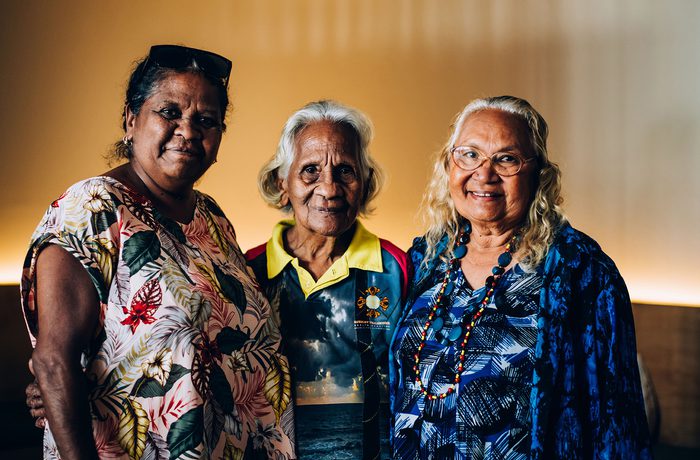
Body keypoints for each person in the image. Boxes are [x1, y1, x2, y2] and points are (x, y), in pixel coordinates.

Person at [20, 45, 295, 459]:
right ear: (131, 120)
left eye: (205, 120)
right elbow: (53, 364)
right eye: (169, 112)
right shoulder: (90, 209)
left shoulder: (214, 219)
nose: (187, 130)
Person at [390, 96, 652, 459]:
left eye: (507, 159)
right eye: (469, 154)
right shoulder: (424, 258)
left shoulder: (582, 272)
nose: (484, 174)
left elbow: (616, 423)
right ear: (448, 165)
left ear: (537, 174)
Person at [247, 100, 409, 459]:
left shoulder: (398, 268)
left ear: (364, 184)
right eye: (310, 171)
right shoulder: (248, 273)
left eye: (346, 171)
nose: (330, 188)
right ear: (282, 182)